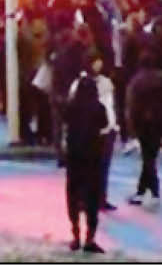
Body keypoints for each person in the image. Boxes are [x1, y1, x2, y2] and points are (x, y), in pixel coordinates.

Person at [65, 72, 110, 252]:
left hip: (74, 158)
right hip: (93, 159)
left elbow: (65, 123)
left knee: (73, 196)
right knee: (92, 198)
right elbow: (104, 125)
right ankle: (90, 237)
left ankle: (75, 235)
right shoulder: (99, 108)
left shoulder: (71, 107)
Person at [70, 51, 120, 212]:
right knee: (90, 167)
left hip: (107, 129)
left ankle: (100, 197)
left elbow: (111, 104)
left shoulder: (106, 82)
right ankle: (86, 199)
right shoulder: (80, 83)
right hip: (92, 130)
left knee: (103, 167)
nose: (99, 64)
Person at [128, 48, 162, 205]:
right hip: (159, 122)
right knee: (150, 156)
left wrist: (132, 127)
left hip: (142, 123)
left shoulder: (137, 81)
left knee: (148, 158)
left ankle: (152, 191)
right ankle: (143, 191)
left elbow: (132, 106)